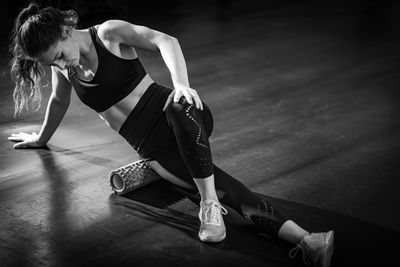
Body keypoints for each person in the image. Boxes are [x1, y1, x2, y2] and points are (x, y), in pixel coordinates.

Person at [8, 3, 334, 267]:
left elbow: (167, 41)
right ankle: (309, 240)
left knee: (179, 112)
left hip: (180, 113)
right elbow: (58, 99)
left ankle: (207, 205)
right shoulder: (62, 64)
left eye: (60, 55)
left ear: (65, 31)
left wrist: (180, 84)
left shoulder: (107, 33)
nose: (63, 64)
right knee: (226, 189)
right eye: (55, 63)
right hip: (152, 149)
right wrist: (41, 137)